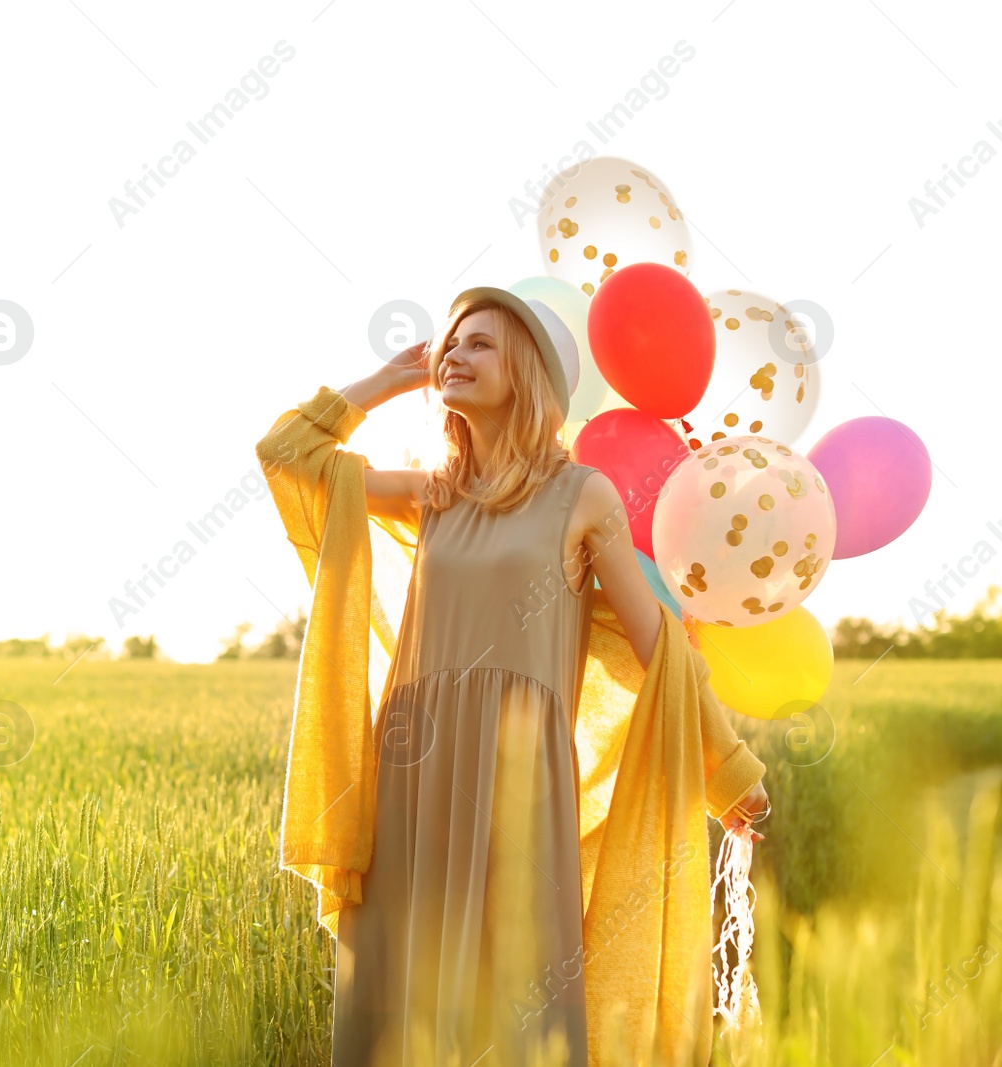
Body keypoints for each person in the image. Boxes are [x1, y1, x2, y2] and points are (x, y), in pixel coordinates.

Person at [256, 287, 770, 1066]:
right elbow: (288, 457)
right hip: (412, 772)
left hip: (521, 781)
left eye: (481, 344)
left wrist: (726, 771)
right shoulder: (437, 493)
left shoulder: (581, 497)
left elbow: (662, 649)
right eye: (450, 344)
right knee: (397, 995)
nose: (455, 355)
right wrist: (389, 380)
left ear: (527, 371)